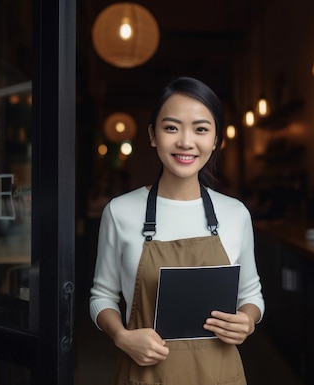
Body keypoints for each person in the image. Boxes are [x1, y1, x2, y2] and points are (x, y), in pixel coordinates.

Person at [89, 76, 265, 384]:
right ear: (153, 135)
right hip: (144, 376)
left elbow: (251, 293)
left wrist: (247, 320)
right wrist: (121, 336)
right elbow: (102, 296)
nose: (185, 141)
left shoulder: (235, 214)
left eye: (200, 129)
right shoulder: (120, 212)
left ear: (215, 140)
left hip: (219, 376)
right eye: (171, 127)